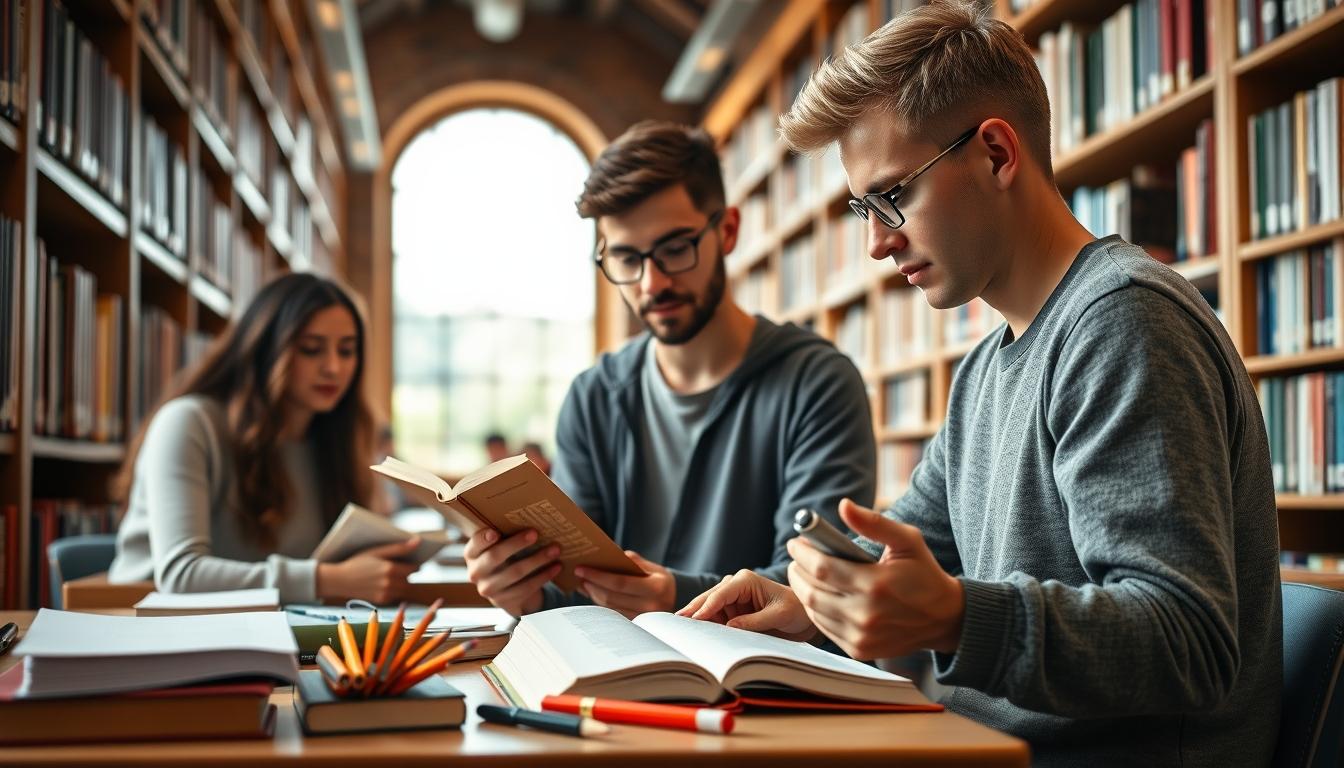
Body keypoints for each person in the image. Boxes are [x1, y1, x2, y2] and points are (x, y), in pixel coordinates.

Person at [678, 3, 1281, 766]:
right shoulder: (988, 367)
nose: (875, 242)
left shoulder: (1124, 321)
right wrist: (806, 603)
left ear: (996, 153)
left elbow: (1186, 642)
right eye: (864, 207)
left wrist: (959, 619)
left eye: (892, 195)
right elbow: (903, 549)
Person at [463, 120, 877, 618]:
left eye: (675, 249)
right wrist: (524, 592)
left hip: (769, 688)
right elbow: (573, 584)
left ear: (726, 231)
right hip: (617, 682)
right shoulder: (593, 396)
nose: (651, 283)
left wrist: (672, 595)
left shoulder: (817, 383)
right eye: (625, 258)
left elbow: (818, 585)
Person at [109, 273, 421, 604]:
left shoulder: (333, 442)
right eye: (311, 349)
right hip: (147, 624)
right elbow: (180, 574)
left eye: (346, 351)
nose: (333, 367)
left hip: (266, 627)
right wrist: (328, 579)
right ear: (263, 349)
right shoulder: (189, 423)